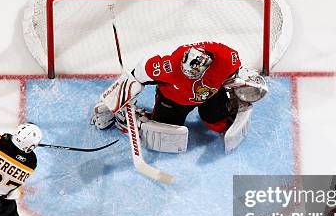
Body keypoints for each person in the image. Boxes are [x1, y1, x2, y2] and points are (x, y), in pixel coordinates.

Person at [91, 42, 268, 153]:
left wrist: (248, 86)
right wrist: (110, 103)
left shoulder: (226, 58)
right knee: (166, 138)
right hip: (173, 101)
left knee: (219, 124)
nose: (189, 77)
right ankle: (126, 120)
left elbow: (238, 75)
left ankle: (219, 112)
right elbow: (134, 77)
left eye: (194, 75)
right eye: (185, 72)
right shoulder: (166, 67)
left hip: (210, 96)